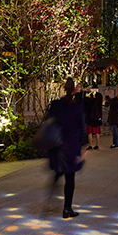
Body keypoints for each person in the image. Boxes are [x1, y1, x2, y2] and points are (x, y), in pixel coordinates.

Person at [46, 78, 85, 218]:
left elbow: (48, 122)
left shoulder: (55, 105)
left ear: (63, 88)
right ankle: (67, 208)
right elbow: (81, 130)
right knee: (70, 178)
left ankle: (50, 199)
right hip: (71, 147)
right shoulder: (76, 107)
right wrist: (80, 150)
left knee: (57, 172)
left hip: (57, 145)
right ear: (74, 90)